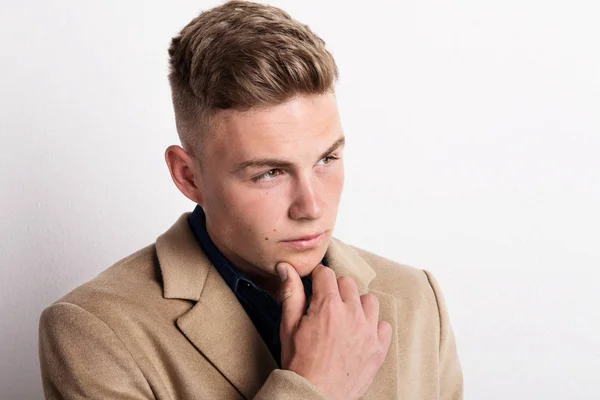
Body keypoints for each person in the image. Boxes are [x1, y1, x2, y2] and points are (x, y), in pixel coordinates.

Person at [38, 1, 463, 399]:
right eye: (270, 173)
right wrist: (312, 388)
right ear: (188, 176)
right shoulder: (94, 331)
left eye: (326, 159)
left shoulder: (416, 299)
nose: (311, 207)